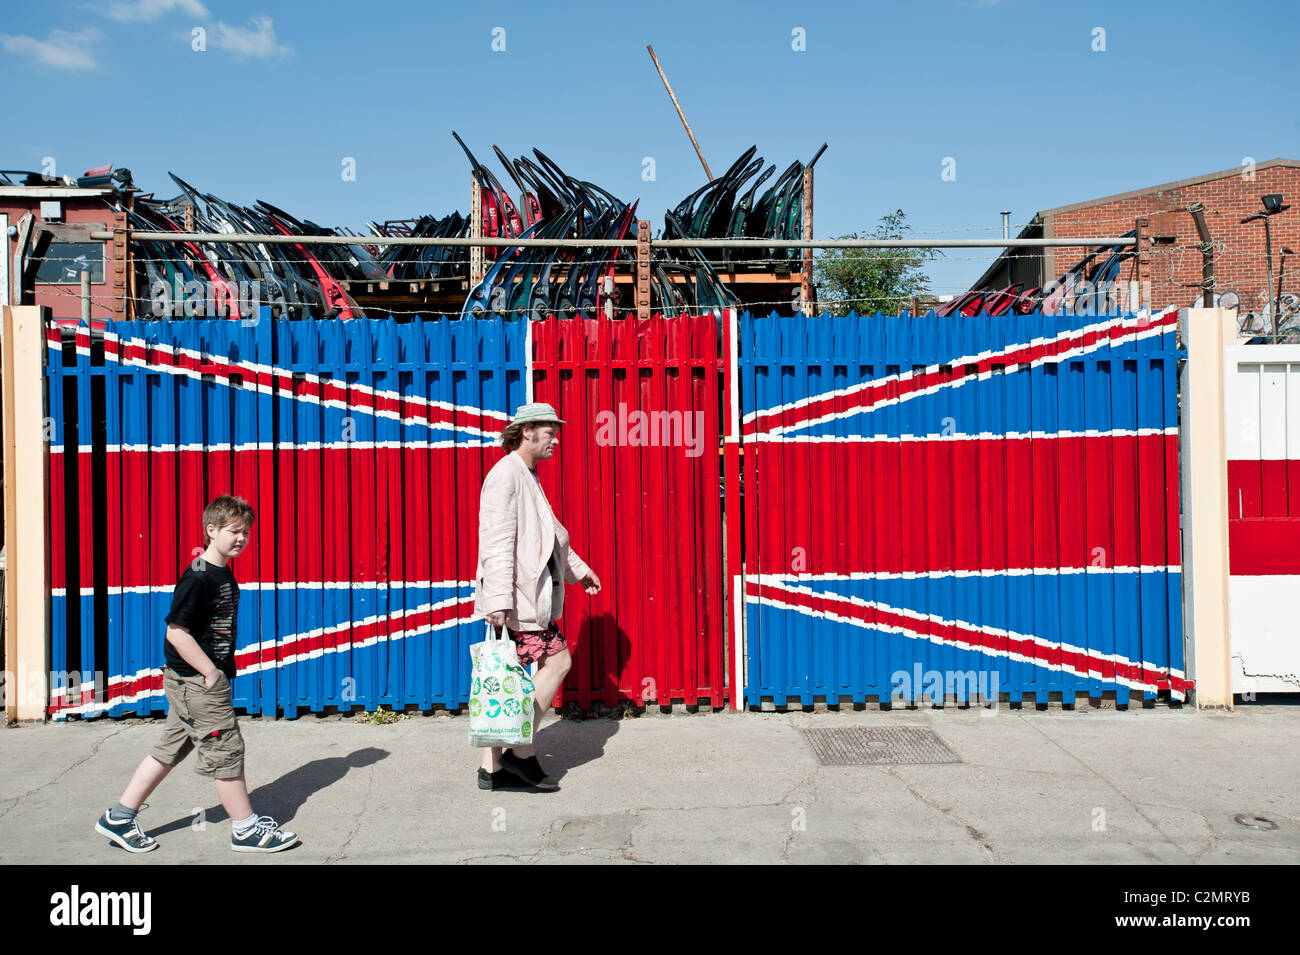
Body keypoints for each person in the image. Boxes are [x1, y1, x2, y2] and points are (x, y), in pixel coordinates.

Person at [94, 494, 299, 853]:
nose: (241, 539)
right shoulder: (199, 577)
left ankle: (118, 817)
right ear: (211, 530)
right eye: (234, 531)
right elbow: (176, 631)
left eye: (247, 533)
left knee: (171, 748)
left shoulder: (220, 573)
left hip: (191, 682)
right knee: (226, 748)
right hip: (197, 682)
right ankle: (245, 829)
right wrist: (210, 673)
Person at [473, 402, 601, 791]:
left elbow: (549, 534)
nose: (556, 439)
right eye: (549, 432)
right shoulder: (506, 475)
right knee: (559, 663)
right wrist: (497, 599)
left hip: (523, 597)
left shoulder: (527, 475)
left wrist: (579, 570)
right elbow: (496, 541)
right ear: (526, 432)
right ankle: (521, 751)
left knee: (512, 677)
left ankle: (491, 769)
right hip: (517, 600)